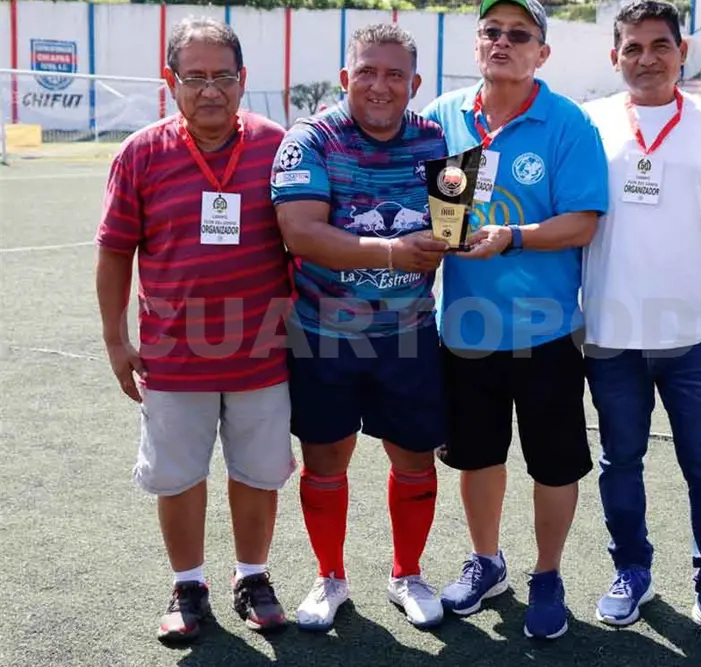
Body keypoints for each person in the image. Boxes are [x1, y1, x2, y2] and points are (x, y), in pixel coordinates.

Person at [94, 16, 294, 643]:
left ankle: (253, 576)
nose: (211, 89)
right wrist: (115, 338)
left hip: (263, 352)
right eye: (196, 77)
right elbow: (113, 250)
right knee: (178, 476)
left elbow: (304, 243)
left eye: (224, 76)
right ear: (171, 81)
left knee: (259, 473)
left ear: (244, 80)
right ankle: (188, 584)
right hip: (173, 355)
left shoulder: (278, 145)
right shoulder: (141, 152)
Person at [420, 0, 609, 640]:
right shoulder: (443, 115)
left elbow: (583, 221)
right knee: (477, 457)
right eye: (492, 32)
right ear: (477, 44)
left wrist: (514, 237)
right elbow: (438, 207)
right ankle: (486, 561)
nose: (503, 43)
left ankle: (548, 574)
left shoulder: (568, 122)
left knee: (553, 465)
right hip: (464, 331)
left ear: (542, 53)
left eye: (519, 35)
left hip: (546, 332)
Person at [270, 23, 450, 631]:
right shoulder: (310, 140)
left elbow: (449, 230)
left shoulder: (438, 141)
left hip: (409, 333)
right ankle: (330, 576)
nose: (380, 85)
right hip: (324, 333)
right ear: (346, 78)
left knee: (415, 459)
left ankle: (407, 572)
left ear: (414, 83)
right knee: (325, 460)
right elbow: (301, 233)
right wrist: (398, 251)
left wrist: (469, 239)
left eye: (394, 74)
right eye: (367, 72)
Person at [579, 0, 701, 654]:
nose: (645, 58)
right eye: (632, 47)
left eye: (659, 45)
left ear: (683, 51)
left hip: (692, 339)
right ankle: (632, 570)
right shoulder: (589, 121)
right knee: (621, 460)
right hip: (610, 334)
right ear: (614, 56)